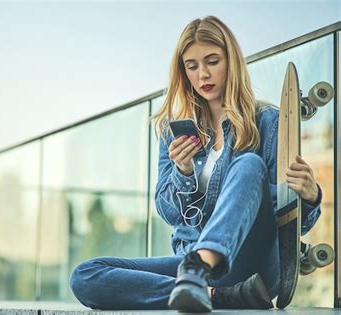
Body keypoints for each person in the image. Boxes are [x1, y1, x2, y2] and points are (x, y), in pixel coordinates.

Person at [69, 15, 322, 312]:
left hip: (253, 265)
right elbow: (169, 212)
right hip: (199, 269)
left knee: (248, 165)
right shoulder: (172, 131)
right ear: (183, 72)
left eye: (212, 61)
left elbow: (288, 218)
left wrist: (309, 196)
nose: (203, 74)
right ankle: (215, 294)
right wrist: (183, 173)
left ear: (232, 62)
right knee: (86, 276)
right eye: (192, 66)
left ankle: (199, 273)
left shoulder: (268, 122)